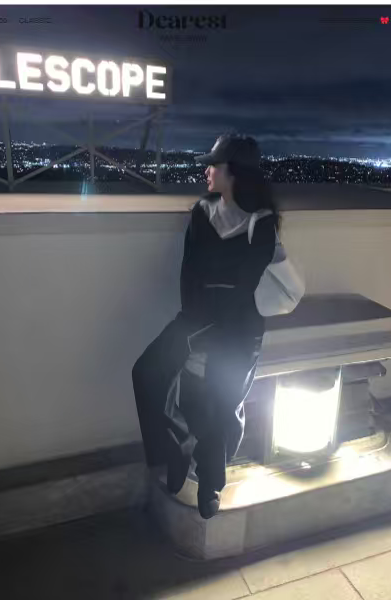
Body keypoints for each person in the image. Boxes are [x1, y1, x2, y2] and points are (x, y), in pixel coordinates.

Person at [132, 133, 279, 519]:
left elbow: (246, 286)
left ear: (234, 172)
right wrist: (196, 322)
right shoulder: (202, 212)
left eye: (214, 165)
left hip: (240, 328)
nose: (207, 171)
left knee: (220, 399)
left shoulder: (261, 221)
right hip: (200, 319)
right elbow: (190, 274)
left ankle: (211, 482)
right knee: (146, 372)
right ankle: (175, 450)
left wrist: (212, 319)